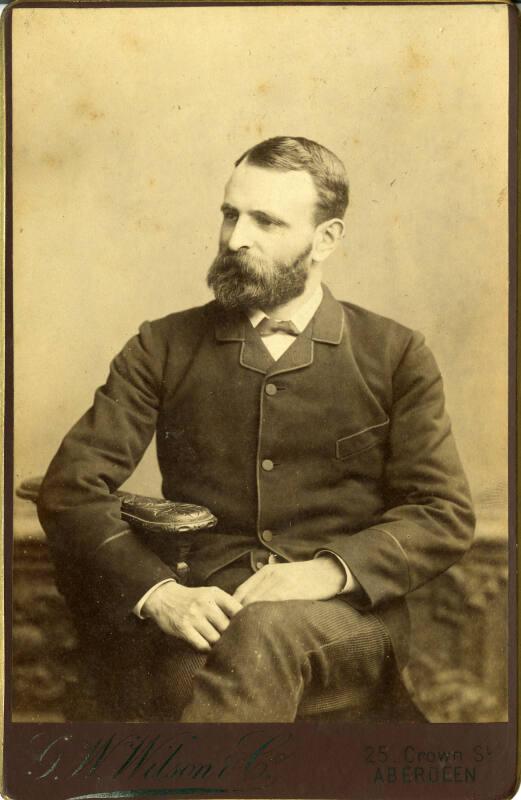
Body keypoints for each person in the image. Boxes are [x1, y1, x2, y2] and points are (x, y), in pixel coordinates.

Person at [37, 136, 475, 722]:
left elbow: (443, 511)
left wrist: (324, 572)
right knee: (201, 665)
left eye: (266, 221)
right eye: (230, 214)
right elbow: (71, 487)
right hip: (207, 606)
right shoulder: (161, 346)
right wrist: (158, 592)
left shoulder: (394, 355)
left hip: (349, 617)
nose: (236, 238)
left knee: (261, 637)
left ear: (326, 239)